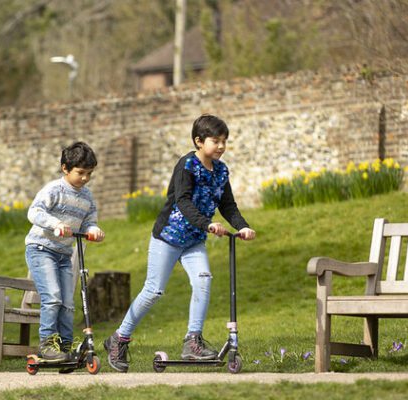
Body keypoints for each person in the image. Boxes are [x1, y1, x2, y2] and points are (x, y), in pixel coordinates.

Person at [103, 114, 256, 373]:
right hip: (168, 236)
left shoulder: (221, 171)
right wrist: (206, 224)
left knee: (204, 279)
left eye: (224, 141)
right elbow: (182, 201)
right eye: (215, 141)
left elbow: (227, 204)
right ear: (198, 141)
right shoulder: (187, 165)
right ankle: (119, 338)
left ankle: (192, 341)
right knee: (153, 290)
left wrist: (241, 226)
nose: (221, 146)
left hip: (194, 241)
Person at [25, 141, 105, 362]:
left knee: (68, 303)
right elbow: (34, 212)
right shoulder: (54, 189)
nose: (85, 178)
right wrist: (55, 223)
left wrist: (93, 230)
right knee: (52, 297)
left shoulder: (87, 196)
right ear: (65, 168)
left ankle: (65, 346)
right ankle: (47, 345)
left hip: (64, 253)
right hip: (41, 249)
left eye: (89, 173)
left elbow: (90, 220)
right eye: (81, 173)